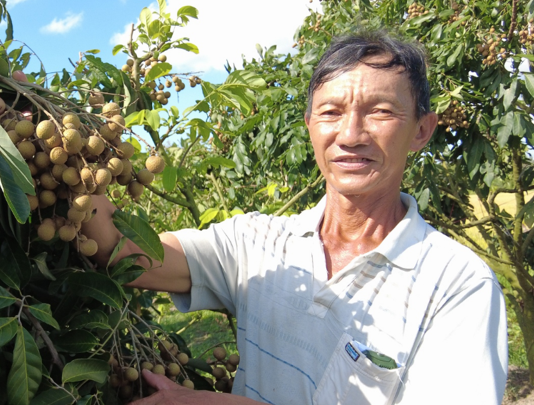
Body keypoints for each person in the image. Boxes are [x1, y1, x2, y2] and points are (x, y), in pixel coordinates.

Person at [83, 31, 508, 405]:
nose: (350, 135)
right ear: (309, 126)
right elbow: (121, 253)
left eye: (380, 111)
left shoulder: (459, 284)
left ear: (421, 130)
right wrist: (54, 133)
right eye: (330, 113)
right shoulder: (257, 241)